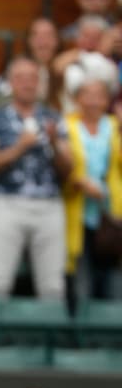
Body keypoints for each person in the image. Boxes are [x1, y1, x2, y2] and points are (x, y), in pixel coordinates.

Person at [0, 57, 73, 316]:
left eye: (33, 77)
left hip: (49, 204)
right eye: (21, 77)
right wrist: (19, 147)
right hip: (7, 201)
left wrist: (53, 144)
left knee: (52, 285)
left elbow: (68, 168)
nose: (27, 83)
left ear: (40, 83)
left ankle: (48, 348)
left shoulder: (53, 118)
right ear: (10, 82)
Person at [63, 77, 122, 305]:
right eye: (87, 94)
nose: (93, 101)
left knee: (115, 284)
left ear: (108, 100)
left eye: (99, 95)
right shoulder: (66, 125)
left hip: (113, 217)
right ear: (77, 99)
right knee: (82, 283)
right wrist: (79, 182)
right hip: (78, 215)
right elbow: (62, 166)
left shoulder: (116, 125)